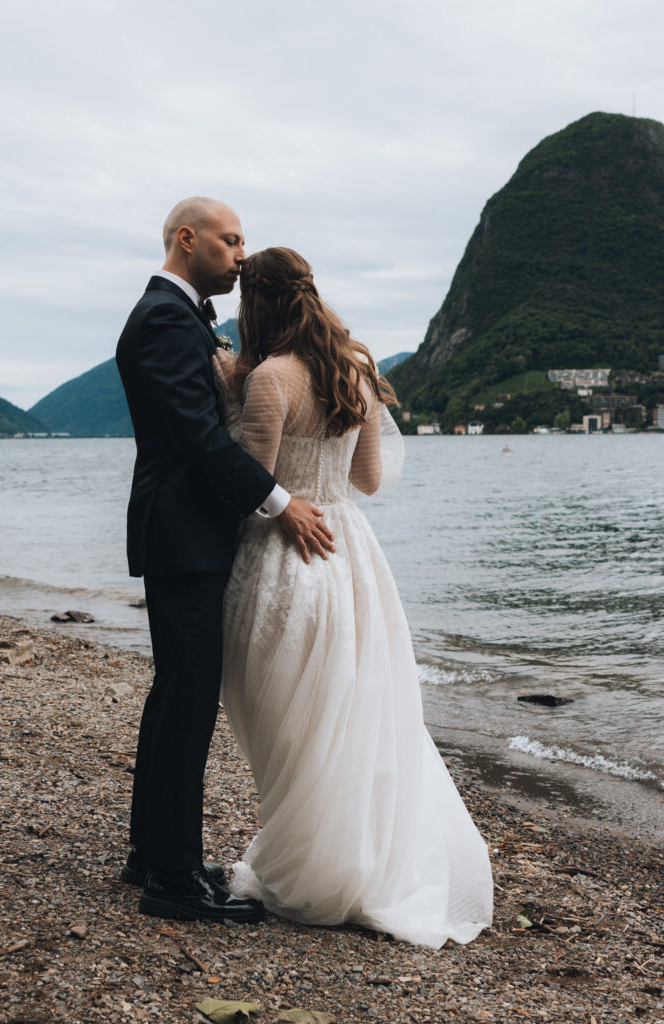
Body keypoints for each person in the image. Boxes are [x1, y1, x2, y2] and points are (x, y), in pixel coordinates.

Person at [214, 247, 493, 950]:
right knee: (350, 713)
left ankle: (304, 867)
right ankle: (349, 859)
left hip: (287, 554)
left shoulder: (269, 379)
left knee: (286, 719)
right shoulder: (357, 371)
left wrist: (227, 396)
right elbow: (369, 478)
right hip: (353, 556)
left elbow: (246, 485)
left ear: (254, 307)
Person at [115, 199, 335, 923]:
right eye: (229, 239)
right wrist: (281, 501)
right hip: (183, 535)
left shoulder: (179, 319)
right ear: (187, 239)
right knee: (186, 704)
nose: (241, 255)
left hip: (187, 533)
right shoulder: (162, 320)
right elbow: (196, 440)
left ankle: (154, 854)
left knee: (176, 698)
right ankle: (173, 882)